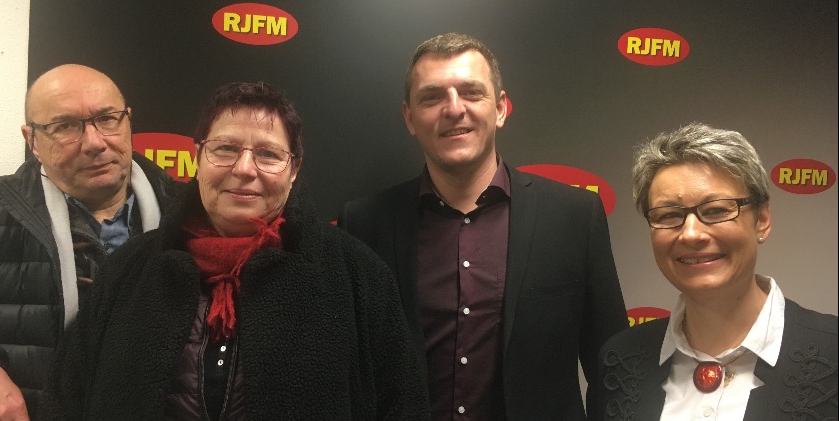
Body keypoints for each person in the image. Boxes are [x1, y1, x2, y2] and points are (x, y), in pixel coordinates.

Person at [41, 81, 429, 420]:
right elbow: (65, 401)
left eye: (268, 154)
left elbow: (402, 406)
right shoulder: (128, 271)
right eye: (225, 149)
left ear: (294, 170)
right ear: (198, 157)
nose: (244, 168)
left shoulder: (356, 275)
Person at [338, 32, 628, 420]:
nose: (454, 108)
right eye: (432, 97)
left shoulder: (574, 217)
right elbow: (346, 376)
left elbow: (614, 372)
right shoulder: (365, 223)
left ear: (501, 108)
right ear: (409, 118)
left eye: (471, 93)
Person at [0, 64, 177, 419]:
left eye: (107, 119)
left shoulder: (186, 213)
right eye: (65, 126)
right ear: (32, 140)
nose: (94, 142)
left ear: (128, 121)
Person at [597, 122, 838, 420]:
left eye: (716, 210)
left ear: (762, 220)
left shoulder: (831, 352)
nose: (691, 234)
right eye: (668, 215)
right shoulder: (621, 359)